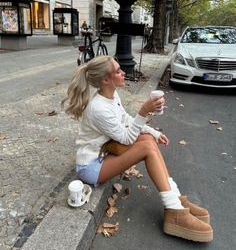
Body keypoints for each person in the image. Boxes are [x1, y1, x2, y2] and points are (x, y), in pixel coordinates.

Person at [61, 55, 213, 242]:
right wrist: (143, 111)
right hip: (91, 167)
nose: (123, 72)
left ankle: (176, 199)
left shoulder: (111, 95)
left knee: (149, 140)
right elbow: (126, 138)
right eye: (118, 71)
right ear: (106, 80)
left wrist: (153, 132)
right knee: (147, 148)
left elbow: (125, 120)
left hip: (105, 153)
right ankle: (174, 210)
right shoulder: (98, 108)